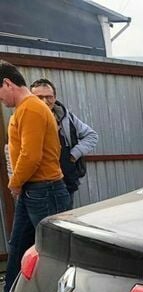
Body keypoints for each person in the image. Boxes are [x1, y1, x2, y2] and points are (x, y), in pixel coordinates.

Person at [0, 60, 69, 292]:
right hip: (33, 190)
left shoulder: (31, 109)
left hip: (45, 189)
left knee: (53, 251)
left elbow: (31, 155)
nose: (1, 100)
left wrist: (15, 183)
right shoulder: (22, 109)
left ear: (7, 83)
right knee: (18, 242)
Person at [30, 78, 97, 209]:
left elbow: (91, 136)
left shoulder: (66, 117)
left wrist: (73, 155)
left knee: (64, 222)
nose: (44, 101)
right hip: (39, 186)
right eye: (39, 97)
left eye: (49, 97)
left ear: (55, 98)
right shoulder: (26, 118)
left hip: (66, 181)